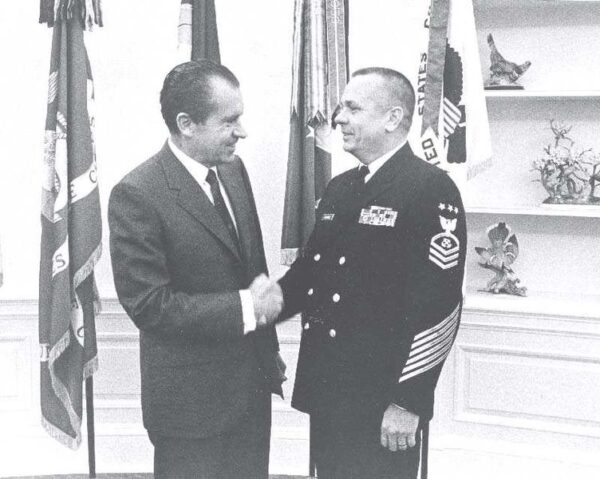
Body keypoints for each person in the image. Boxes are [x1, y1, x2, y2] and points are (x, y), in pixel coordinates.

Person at [278, 67, 467, 479]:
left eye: (352, 108)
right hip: (330, 389)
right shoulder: (341, 188)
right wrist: (258, 306)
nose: (338, 117)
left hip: (383, 400)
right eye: (341, 107)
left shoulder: (430, 189)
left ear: (393, 118)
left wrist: (408, 401)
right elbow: (310, 276)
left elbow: (441, 307)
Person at [108, 60, 285, 479]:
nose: (242, 131)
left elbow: (251, 269)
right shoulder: (137, 194)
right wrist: (246, 309)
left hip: (250, 396)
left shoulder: (234, 171)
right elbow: (149, 305)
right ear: (186, 124)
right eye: (230, 120)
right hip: (190, 413)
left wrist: (268, 350)